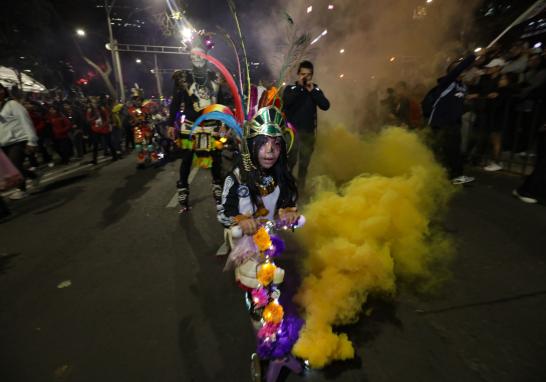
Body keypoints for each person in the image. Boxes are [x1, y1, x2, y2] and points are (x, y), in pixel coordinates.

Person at [167, 44, 224, 212]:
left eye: (201, 55)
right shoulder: (183, 78)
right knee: (187, 159)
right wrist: (170, 123)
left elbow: (220, 102)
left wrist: (223, 122)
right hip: (191, 126)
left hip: (212, 125)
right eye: (194, 55)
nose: (198, 58)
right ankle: (183, 188)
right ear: (190, 58)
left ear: (207, 56)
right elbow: (176, 102)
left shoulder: (215, 76)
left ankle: (217, 185)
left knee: (216, 157)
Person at [424, 53, 477, 185]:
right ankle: (454, 175)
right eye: (458, 68)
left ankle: (447, 174)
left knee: (451, 149)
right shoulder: (447, 82)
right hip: (440, 121)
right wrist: (473, 56)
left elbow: (457, 102)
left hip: (454, 122)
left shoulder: (463, 87)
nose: (462, 70)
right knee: (443, 148)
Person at [282, 60, 330, 191]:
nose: (305, 77)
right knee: (290, 163)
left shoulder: (315, 89)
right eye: (302, 74)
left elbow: (325, 106)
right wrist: (300, 88)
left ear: (312, 75)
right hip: (292, 135)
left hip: (308, 134)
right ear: (298, 74)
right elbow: (286, 103)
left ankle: (300, 191)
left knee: (304, 165)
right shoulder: (290, 89)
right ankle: (286, 189)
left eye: (308, 75)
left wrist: (312, 91)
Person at [0, 84, 40, 199]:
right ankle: (33, 175)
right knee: (12, 168)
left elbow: (26, 121)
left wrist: (32, 141)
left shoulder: (13, 104)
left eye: (0, 89)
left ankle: (21, 189)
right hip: (3, 143)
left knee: (15, 165)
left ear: (4, 91)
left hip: (18, 140)